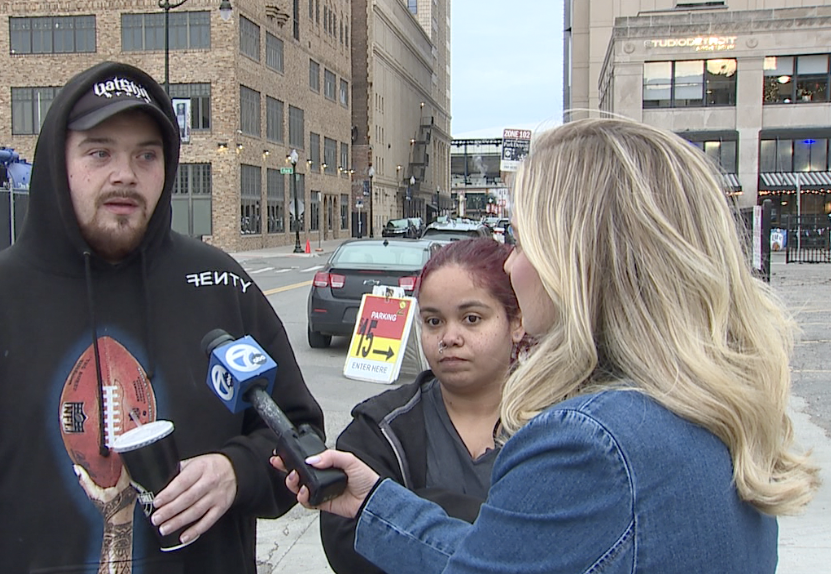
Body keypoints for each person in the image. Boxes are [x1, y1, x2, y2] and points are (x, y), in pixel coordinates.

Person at [275, 117, 821, 573]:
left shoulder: (589, 443)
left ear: (578, 261)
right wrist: (375, 502)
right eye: (434, 320)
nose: (510, 263)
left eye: (521, 240)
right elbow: (501, 557)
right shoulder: (711, 410)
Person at [0, 61, 325, 574]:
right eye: (99, 152)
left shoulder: (221, 286)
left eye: (145, 155)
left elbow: (302, 435)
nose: (125, 174)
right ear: (58, 161)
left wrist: (236, 472)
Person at [320, 238, 526, 573]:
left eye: (471, 319)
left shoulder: (559, 425)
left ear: (516, 322)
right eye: (433, 321)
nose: (449, 337)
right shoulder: (378, 430)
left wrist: (398, 509)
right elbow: (348, 541)